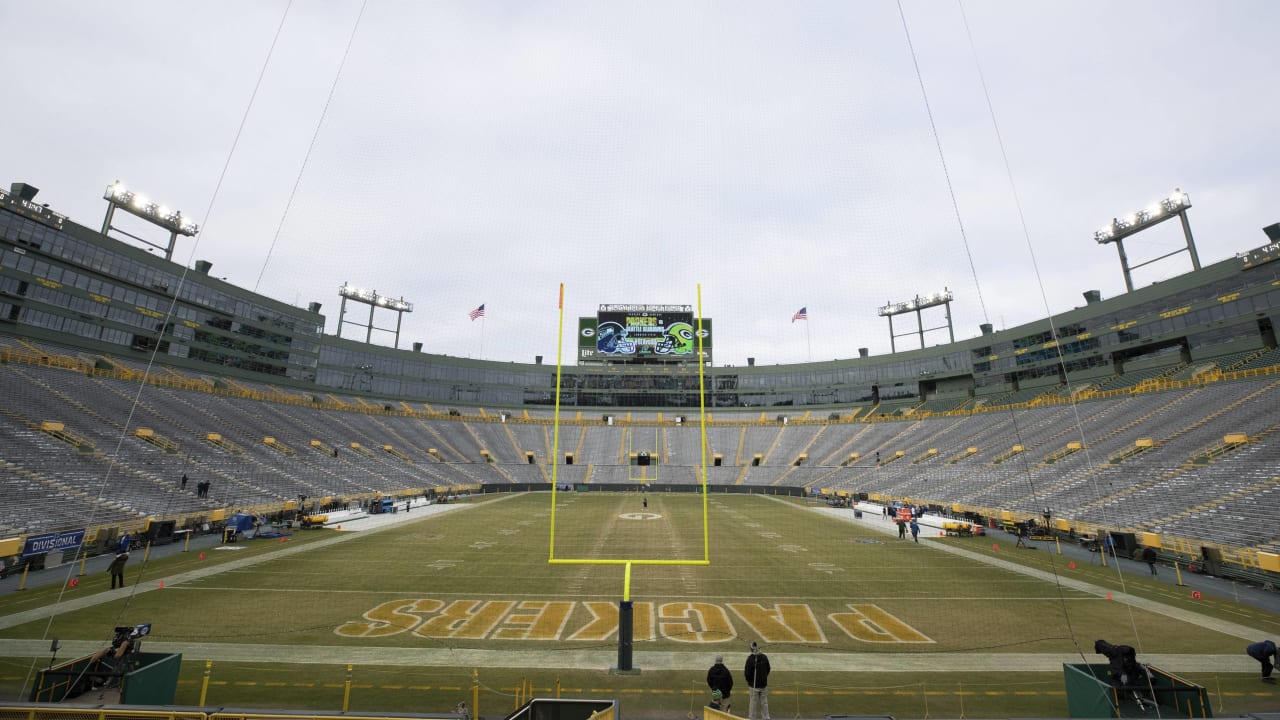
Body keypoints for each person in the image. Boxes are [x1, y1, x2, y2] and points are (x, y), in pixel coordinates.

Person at [744, 642, 770, 720]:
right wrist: (764, 677)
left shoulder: (750, 659)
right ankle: (766, 717)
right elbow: (768, 669)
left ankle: (752, 718)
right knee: (764, 703)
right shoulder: (764, 657)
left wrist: (749, 681)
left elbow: (747, 673)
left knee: (753, 703)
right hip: (763, 684)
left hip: (754, 686)